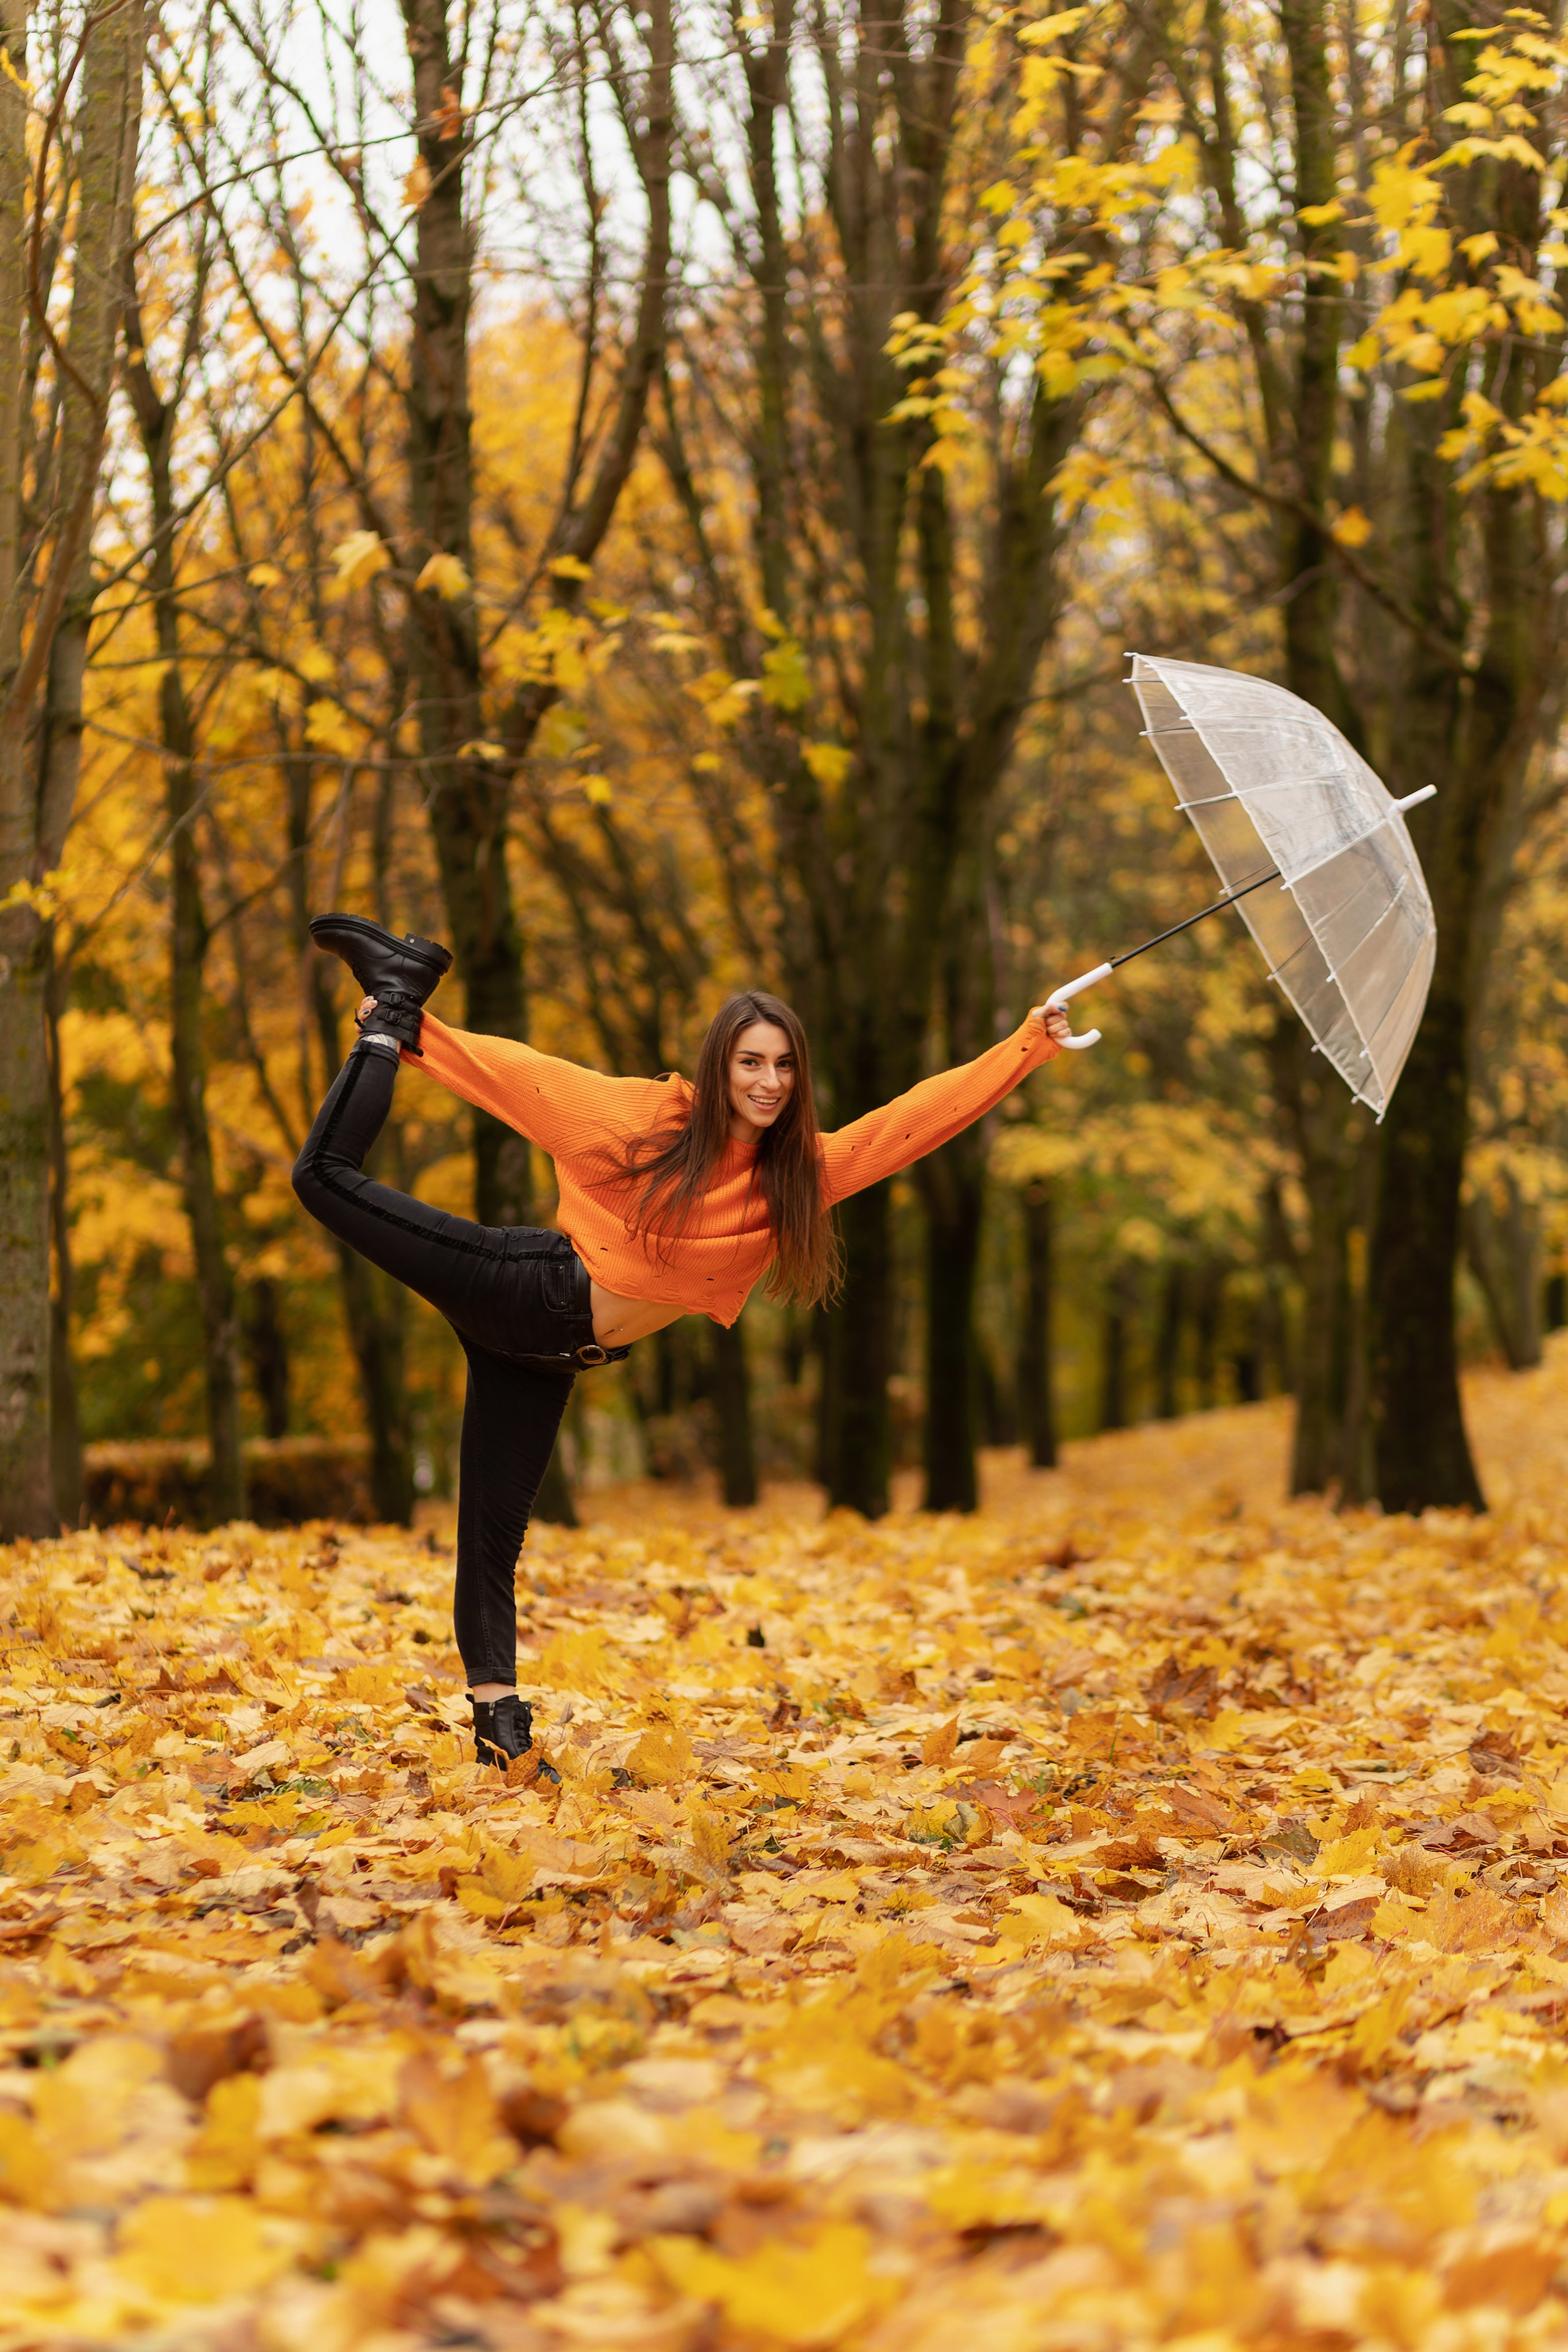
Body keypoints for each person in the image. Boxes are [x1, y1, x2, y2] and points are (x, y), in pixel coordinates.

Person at [292, 913, 1072, 1769]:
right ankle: (395, 1002)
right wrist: (415, 1036)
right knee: (323, 1177)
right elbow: (532, 1082)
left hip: (549, 1355)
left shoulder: (796, 1176)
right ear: (720, 1066)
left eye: (783, 1065)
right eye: (751, 1062)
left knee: (491, 1536)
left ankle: (500, 1738)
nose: (768, 1081)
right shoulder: (653, 1125)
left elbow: (910, 1124)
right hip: (520, 1286)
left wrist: (1028, 1043)